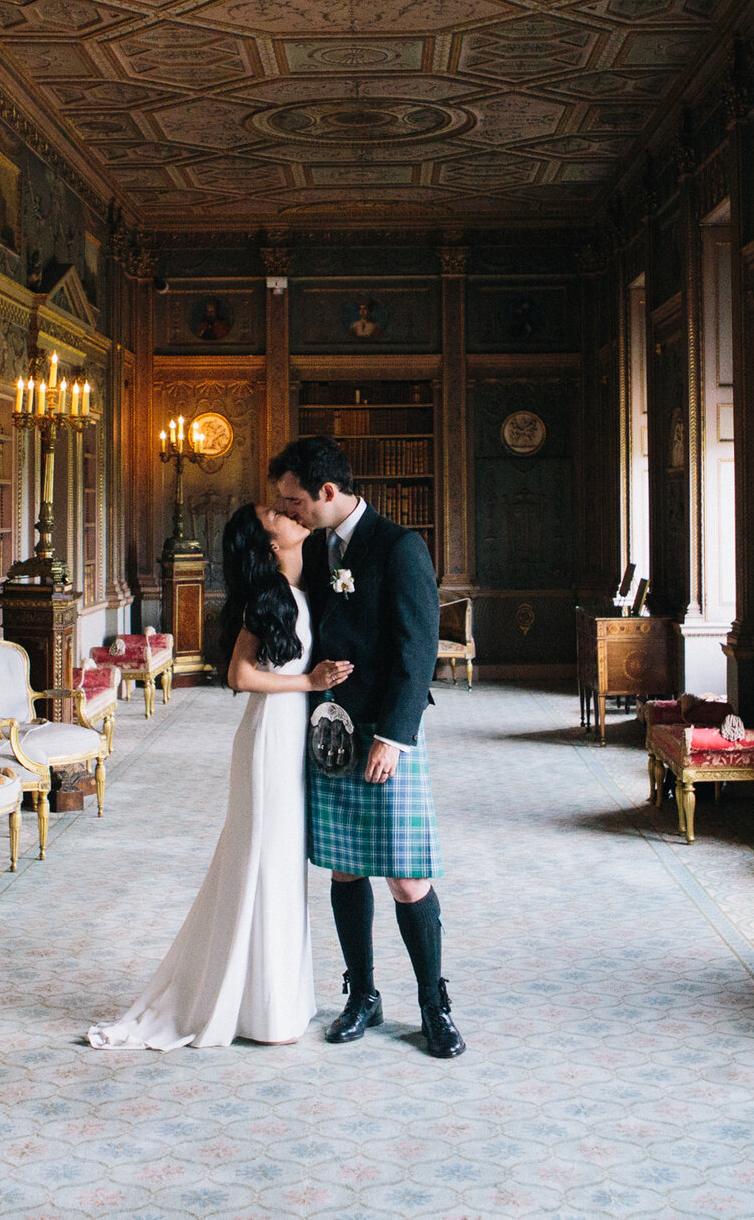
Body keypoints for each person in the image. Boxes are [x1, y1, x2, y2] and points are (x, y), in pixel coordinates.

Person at [88, 504, 352, 1050]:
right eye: (276, 513)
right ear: (270, 542)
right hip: (269, 741)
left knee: (281, 868)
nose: (290, 512)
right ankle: (259, 1010)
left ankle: (278, 1001)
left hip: (293, 739)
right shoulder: (269, 596)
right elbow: (239, 674)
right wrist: (310, 682)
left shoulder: (311, 585)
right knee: (265, 861)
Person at [270, 434, 463, 1059]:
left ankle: (434, 1005)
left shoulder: (399, 545)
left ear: (328, 493)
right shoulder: (318, 548)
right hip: (329, 732)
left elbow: (418, 650)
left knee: (408, 879)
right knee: (346, 867)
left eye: (295, 500)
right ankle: (363, 996)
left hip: (385, 735)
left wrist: (393, 737)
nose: (290, 511)